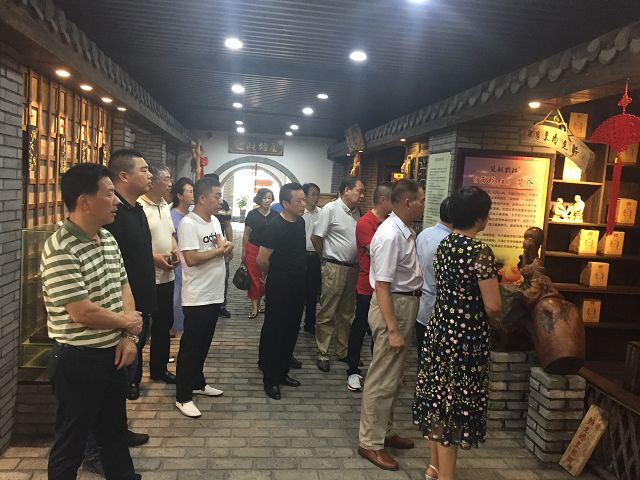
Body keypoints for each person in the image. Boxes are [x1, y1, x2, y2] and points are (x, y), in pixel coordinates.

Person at [41, 163, 143, 480]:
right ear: (85, 201)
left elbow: (123, 286)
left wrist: (128, 336)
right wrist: (127, 322)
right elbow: (81, 311)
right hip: (78, 360)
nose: (116, 201)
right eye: (109, 193)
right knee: (71, 443)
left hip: (114, 354)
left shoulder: (107, 238)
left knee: (114, 434)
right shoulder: (61, 248)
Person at [413, 186, 501, 480]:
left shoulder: (445, 244)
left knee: (438, 400)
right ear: (479, 218)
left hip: (440, 330)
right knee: (454, 407)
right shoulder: (479, 252)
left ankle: (434, 467)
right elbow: (493, 305)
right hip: (465, 340)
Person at [357, 180, 424, 472]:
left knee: (394, 377)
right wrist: (393, 329)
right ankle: (370, 442)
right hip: (393, 305)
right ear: (408, 202)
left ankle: (384, 430)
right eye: (420, 199)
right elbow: (382, 286)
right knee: (382, 377)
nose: (423, 204)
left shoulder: (404, 230)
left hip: (404, 303)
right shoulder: (389, 234)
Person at [175, 177, 233, 418]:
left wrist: (225, 246)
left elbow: (220, 245)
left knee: (204, 343)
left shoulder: (215, 221)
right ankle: (183, 396)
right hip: (197, 295)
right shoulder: (189, 223)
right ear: (202, 198)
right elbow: (191, 258)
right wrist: (219, 250)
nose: (220, 201)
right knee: (191, 347)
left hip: (214, 293)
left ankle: (198, 382)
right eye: (216, 196)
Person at [105, 149, 156, 402]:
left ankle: (132, 384)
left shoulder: (137, 209)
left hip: (141, 302)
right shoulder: (112, 216)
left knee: (135, 355)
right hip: (123, 308)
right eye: (144, 170)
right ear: (123, 176)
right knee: (119, 368)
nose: (150, 175)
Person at [256, 183, 307, 400]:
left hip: (298, 284)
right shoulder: (274, 226)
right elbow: (262, 259)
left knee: (292, 328)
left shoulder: (301, 222)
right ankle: (270, 378)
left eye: (304, 200)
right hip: (279, 286)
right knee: (274, 330)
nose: (303, 204)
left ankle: (283, 371)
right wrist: (276, 275)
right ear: (285, 203)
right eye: (299, 201)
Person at [311, 176, 365, 372]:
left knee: (346, 313)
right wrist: (325, 258)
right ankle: (323, 352)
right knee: (328, 311)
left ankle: (342, 351)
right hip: (334, 267)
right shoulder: (330, 209)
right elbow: (316, 237)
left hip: (353, 269)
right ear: (347, 190)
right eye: (360, 191)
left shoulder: (357, 212)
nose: (362, 195)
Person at [345, 182, 393, 392]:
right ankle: (353, 370)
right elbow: (378, 251)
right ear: (384, 200)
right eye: (393, 200)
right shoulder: (365, 222)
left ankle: (378, 371)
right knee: (360, 326)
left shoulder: (390, 222)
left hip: (386, 286)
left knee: (380, 331)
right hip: (367, 285)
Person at [138, 163, 179, 384]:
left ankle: (159, 369)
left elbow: (170, 234)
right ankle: (133, 379)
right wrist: (154, 258)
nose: (170, 183)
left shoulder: (164, 205)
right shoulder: (139, 206)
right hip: (147, 278)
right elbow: (134, 245)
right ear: (152, 181)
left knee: (164, 325)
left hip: (167, 277)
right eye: (166, 179)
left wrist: (175, 250)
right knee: (141, 328)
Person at [415, 196, 453, 356]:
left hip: (421, 306)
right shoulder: (450, 242)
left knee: (422, 354)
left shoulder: (424, 234)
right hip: (440, 311)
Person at [242, 188, 278, 318]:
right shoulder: (252, 214)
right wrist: (244, 251)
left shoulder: (275, 215)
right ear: (259, 199)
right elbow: (246, 234)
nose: (267, 200)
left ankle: (259, 303)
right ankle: (254, 306)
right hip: (253, 248)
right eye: (264, 198)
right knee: (254, 277)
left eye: (269, 198)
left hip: (269, 250)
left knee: (264, 277)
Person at [205, 173, 233, 318]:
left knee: (223, 276)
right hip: (206, 248)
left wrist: (231, 244)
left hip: (221, 246)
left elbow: (227, 225)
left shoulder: (224, 205)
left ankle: (221, 305)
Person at [170, 177, 194, 335]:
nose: (193, 194)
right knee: (177, 296)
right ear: (179, 195)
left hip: (192, 264)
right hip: (178, 264)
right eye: (190, 191)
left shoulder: (192, 215)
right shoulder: (172, 216)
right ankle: (174, 327)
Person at [301, 183, 322, 335]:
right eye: (313, 194)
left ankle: (310, 323)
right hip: (300, 256)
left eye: (317, 194)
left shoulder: (322, 213)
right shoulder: (299, 212)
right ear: (305, 196)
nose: (315, 197)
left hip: (315, 257)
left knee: (313, 292)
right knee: (298, 291)